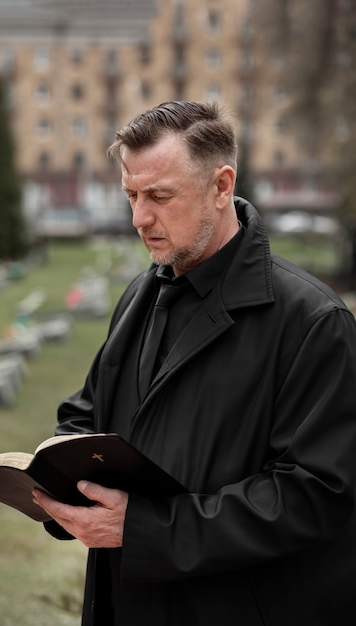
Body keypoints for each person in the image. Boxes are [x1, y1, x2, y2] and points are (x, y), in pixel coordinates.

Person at [32, 101, 356, 626]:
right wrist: (60, 480)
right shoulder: (142, 292)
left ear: (222, 186)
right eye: (131, 195)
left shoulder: (314, 321)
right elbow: (89, 411)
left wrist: (143, 529)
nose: (139, 217)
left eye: (159, 196)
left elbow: (315, 496)